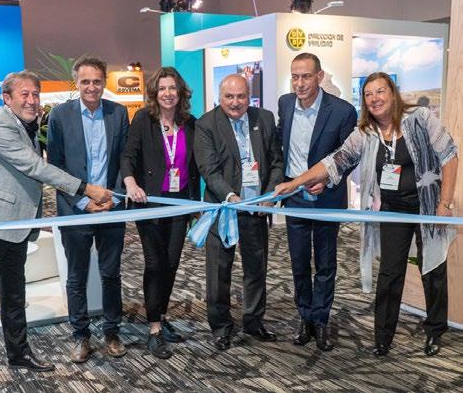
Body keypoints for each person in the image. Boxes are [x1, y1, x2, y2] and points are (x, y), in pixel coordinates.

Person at [275, 72, 457, 357]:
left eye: (380, 91)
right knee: (390, 272)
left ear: (392, 93)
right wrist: (296, 182)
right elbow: (334, 161)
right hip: (393, 210)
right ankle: (383, 337)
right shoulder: (366, 133)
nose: (375, 99)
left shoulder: (419, 119)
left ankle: (435, 330)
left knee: (432, 269)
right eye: (368, 94)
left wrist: (444, 204)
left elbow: (449, 156)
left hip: (427, 206)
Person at [0, 70, 111, 389]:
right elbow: (35, 167)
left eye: (35, 94)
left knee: (15, 295)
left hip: (16, 224)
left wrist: (82, 199)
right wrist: (87, 189)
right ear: (7, 98)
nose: (32, 100)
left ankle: (19, 353)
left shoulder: (28, 125)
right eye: (24, 94)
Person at [47, 56, 129, 363]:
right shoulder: (60, 115)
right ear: (76, 83)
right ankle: (80, 335)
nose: (91, 87)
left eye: (97, 81)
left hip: (111, 208)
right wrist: (84, 201)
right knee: (76, 277)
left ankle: (112, 332)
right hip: (75, 209)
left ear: (104, 82)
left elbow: (124, 161)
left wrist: (113, 199)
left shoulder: (118, 113)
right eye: (85, 81)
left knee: (111, 273)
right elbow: (56, 167)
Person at [194, 74, 283, 351]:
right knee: (219, 272)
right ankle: (221, 327)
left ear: (249, 96)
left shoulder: (264, 118)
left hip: (257, 209)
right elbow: (209, 170)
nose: (235, 102)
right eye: (229, 97)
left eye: (241, 96)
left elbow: (276, 161)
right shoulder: (206, 124)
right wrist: (231, 197)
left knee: (256, 268)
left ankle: (254, 322)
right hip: (223, 209)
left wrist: (269, 195)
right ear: (219, 98)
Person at [277, 53, 357, 351]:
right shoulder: (285, 103)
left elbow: (350, 156)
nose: (299, 83)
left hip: (327, 197)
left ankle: (321, 320)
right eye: (295, 76)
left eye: (306, 77)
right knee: (299, 261)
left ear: (319, 77)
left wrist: (330, 179)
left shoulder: (343, 111)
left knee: (325, 263)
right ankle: (305, 318)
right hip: (295, 196)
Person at [121, 67, 200, 359]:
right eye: (162, 88)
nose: (168, 94)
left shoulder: (190, 123)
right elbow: (128, 155)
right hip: (150, 203)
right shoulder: (144, 119)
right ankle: (154, 327)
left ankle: (162, 315)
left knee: (172, 263)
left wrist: (197, 203)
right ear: (155, 93)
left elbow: (195, 167)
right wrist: (130, 183)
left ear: (181, 92)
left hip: (180, 204)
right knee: (155, 264)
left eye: (172, 88)